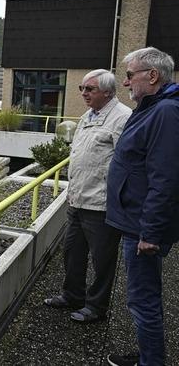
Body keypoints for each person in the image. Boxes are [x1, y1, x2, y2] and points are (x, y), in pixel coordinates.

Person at [106, 47, 179, 366]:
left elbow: (165, 178)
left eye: (130, 75)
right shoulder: (153, 107)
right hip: (136, 221)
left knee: (143, 299)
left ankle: (151, 362)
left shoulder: (165, 112)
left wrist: (150, 232)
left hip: (142, 228)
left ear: (152, 76)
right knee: (141, 297)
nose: (126, 83)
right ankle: (149, 355)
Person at [44, 69, 131, 323]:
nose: (83, 93)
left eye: (89, 89)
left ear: (107, 91)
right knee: (72, 252)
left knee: (102, 259)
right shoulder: (88, 115)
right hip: (78, 199)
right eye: (82, 88)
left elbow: (127, 164)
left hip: (101, 204)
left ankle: (96, 306)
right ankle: (72, 295)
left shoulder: (122, 118)